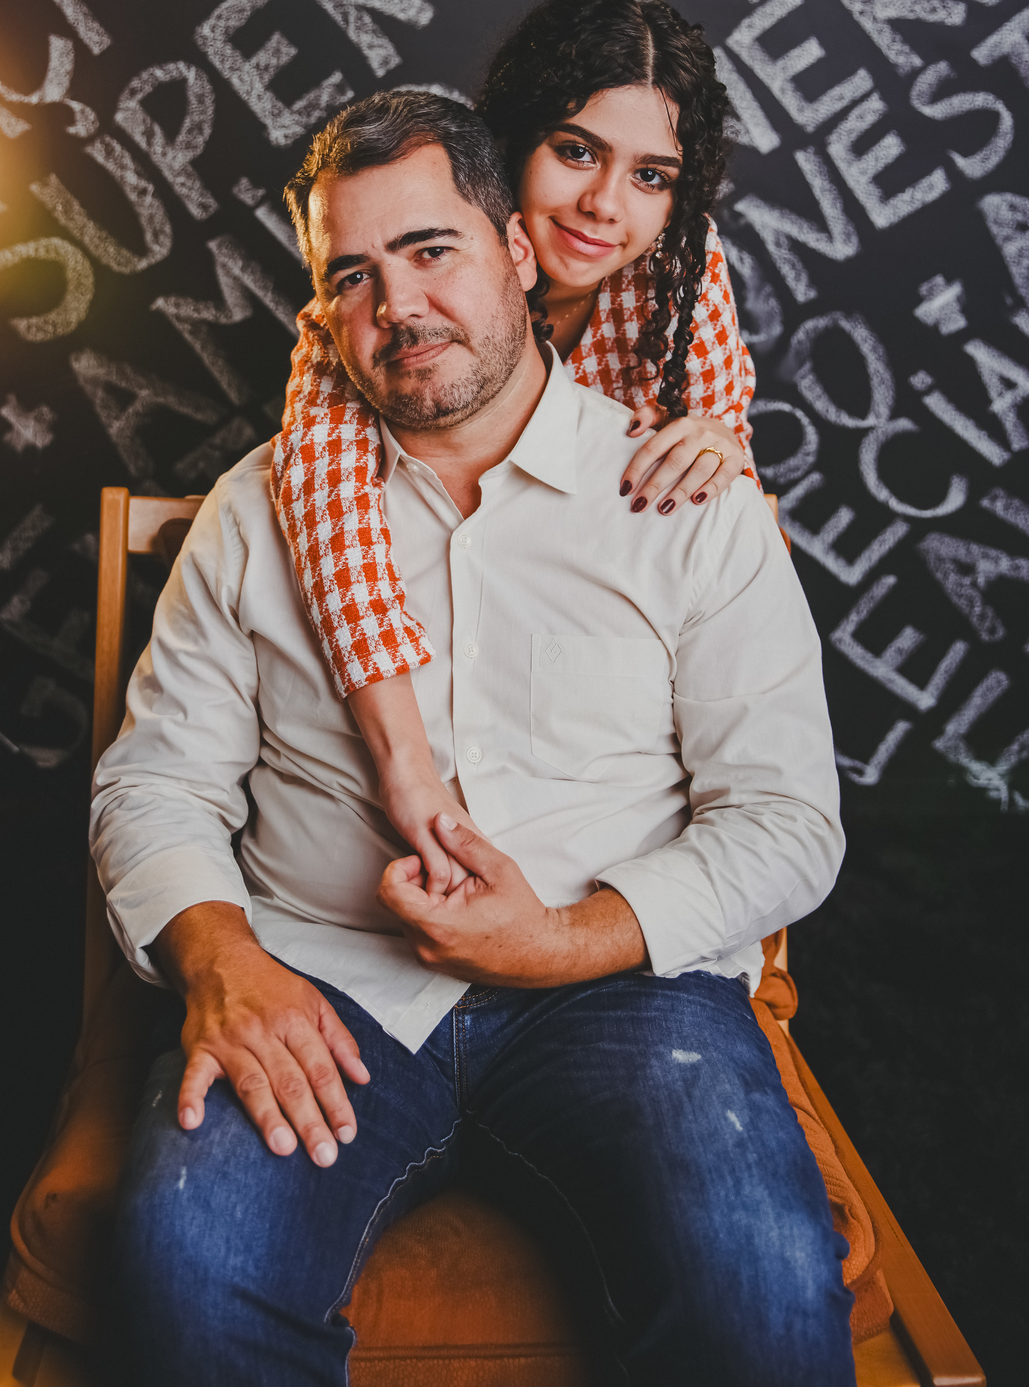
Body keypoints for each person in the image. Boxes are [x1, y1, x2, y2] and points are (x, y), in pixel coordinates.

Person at [92, 90, 852, 1386]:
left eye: (430, 249)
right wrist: (221, 958)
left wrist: (562, 940)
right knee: (187, 1267)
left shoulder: (687, 501)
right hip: (321, 984)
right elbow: (156, 783)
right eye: (352, 274)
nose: (397, 304)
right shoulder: (257, 510)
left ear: (515, 250)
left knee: (761, 1294)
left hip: (624, 993)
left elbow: (787, 822)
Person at [273, 0, 757, 894]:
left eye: (651, 177)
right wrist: (409, 772)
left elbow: (727, 503)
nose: (604, 205)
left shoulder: (681, 271)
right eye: (576, 151)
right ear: (515, 141)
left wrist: (718, 449)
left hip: (591, 698)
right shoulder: (392, 297)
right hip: (427, 667)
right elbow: (331, 520)